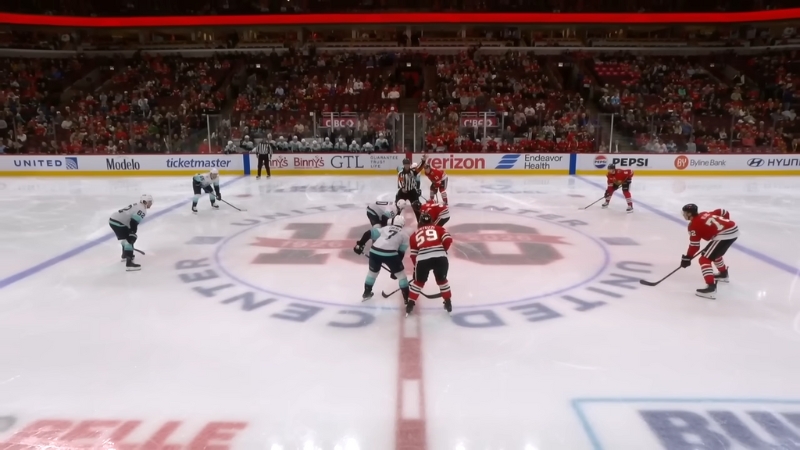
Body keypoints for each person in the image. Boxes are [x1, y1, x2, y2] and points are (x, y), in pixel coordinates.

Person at [680, 204, 739, 299]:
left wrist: (688, 257)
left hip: (725, 234)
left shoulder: (693, 226)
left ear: (690, 214)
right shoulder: (704, 213)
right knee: (714, 254)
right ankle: (723, 274)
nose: (684, 214)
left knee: (704, 259)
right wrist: (723, 226)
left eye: (685, 213)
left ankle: (711, 288)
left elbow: (694, 246)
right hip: (733, 230)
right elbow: (723, 211)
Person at [353, 215, 410, 303]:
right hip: (391, 254)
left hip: (375, 252)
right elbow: (400, 253)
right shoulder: (405, 235)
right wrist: (395, 270)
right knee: (401, 276)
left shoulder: (385, 228)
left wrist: (360, 244)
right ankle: (407, 300)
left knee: (372, 273)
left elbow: (368, 233)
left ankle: (366, 293)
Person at [408, 212, 453, 315]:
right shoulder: (438, 228)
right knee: (442, 281)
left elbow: (413, 255)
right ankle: (448, 303)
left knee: (418, 283)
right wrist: (443, 250)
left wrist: (416, 268)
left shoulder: (414, 235)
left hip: (423, 259)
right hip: (440, 258)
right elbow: (448, 239)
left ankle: (410, 304)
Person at [109, 194, 153, 271]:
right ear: (145, 201)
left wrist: (131, 232)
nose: (151, 203)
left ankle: (125, 255)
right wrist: (132, 233)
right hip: (119, 222)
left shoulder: (138, 205)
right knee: (129, 240)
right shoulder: (142, 209)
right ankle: (129, 264)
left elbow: (131, 221)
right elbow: (133, 222)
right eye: (149, 202)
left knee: (127, 238)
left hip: (113, 220)